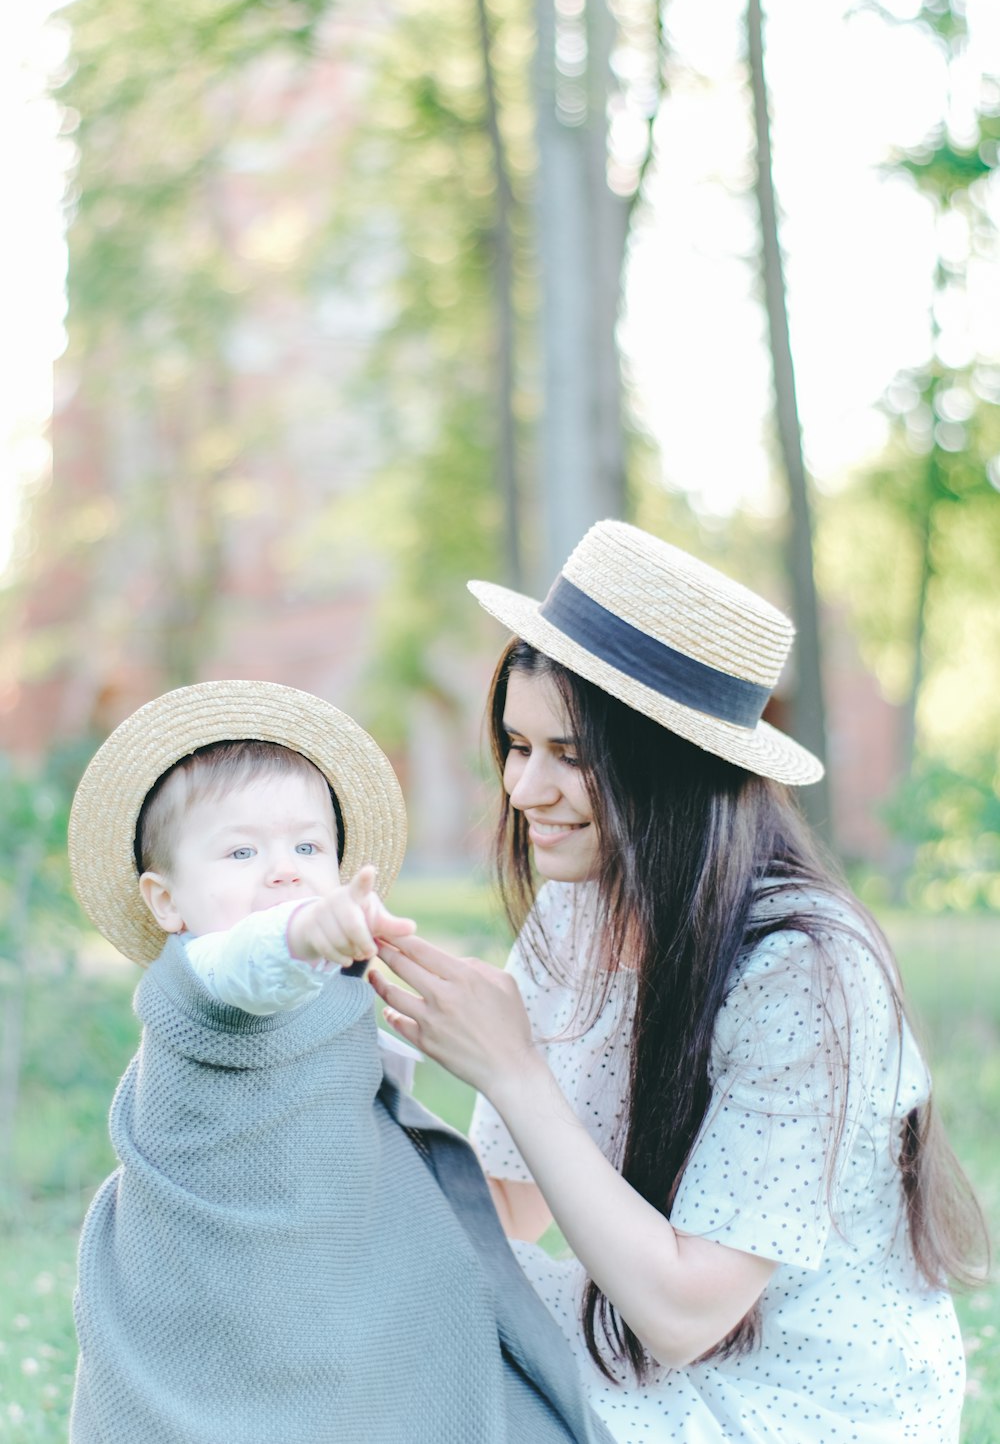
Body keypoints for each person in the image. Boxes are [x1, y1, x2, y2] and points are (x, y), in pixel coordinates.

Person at [370, 519, 988, 1444]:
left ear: (674, 768)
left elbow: (688, 1316)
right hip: (638, 1349)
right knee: (377, 1338)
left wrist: (512, 1069)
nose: (524, 789)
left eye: (571, 756)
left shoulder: (807, 974)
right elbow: (506, 1206)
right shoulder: (577, 911)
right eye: (517, 744)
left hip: (804, 1406)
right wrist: (353, 1052)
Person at [67, 678, 615, 1444]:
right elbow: (252, 964)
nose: (284, 869)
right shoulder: (200, 983)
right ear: (168, 905)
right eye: (240, 850)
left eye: (306, 847)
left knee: (446, 1373)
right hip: (220, 1282)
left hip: (333, 1272)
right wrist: (306, 934)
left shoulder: (332, 986)